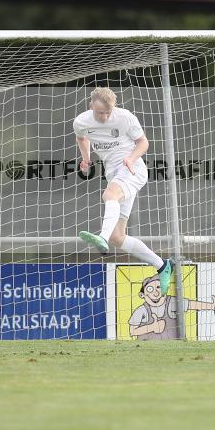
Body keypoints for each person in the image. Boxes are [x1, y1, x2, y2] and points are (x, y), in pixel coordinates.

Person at [74, 87, 174, 295]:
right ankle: (163, 265)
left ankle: (102, 237)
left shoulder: (125, 117)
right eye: (100, 113)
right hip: (114, 174)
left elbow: (143, 142)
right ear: (91, 105)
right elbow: (82, 138)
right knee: (118, 237)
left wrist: (131, 158)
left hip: (132, 169)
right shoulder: (81, 122)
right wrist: (86, 159)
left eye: (108, 112)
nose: (104, 117)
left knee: (109, 195)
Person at [129, 275, 215, 340]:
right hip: (147, 349)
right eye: (150, 289)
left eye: (159, 287)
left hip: (172, 348)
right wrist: (151, 327)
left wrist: (213, 306)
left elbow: (191, 305)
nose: (155, 293)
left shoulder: (171, 302)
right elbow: (132, 331)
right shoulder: (141, 311)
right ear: (142, 295)